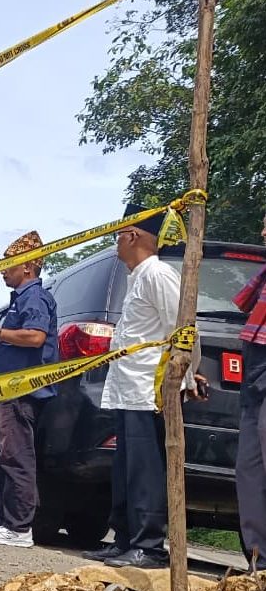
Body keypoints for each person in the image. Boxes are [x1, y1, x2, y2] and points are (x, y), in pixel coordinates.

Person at [83, 204, 195, 568]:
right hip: (127, 388)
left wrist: (188, 376)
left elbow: (184, 329)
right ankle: (125, 538)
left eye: (119, 235)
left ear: (132, 235)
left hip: (149, 390)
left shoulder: (158, 274)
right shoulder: (137, 278)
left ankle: (148, 546)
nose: (116, 244)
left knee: (146, 470)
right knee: (126, 468)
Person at [0, 231, 58, 548]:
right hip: (5, 393)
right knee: (3, 456)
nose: (3, 271)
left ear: (28, 268)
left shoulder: (34, 297)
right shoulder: (19, 299)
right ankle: (7, 523)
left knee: (17, 456)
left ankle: (19, 528)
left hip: (20, 392)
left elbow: (35, 337)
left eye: (9, 265)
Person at [232, 211, 266, 571]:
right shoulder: (263, 276)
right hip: (256, 372)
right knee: (249, 468)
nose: (262, 229)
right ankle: (259, 560)